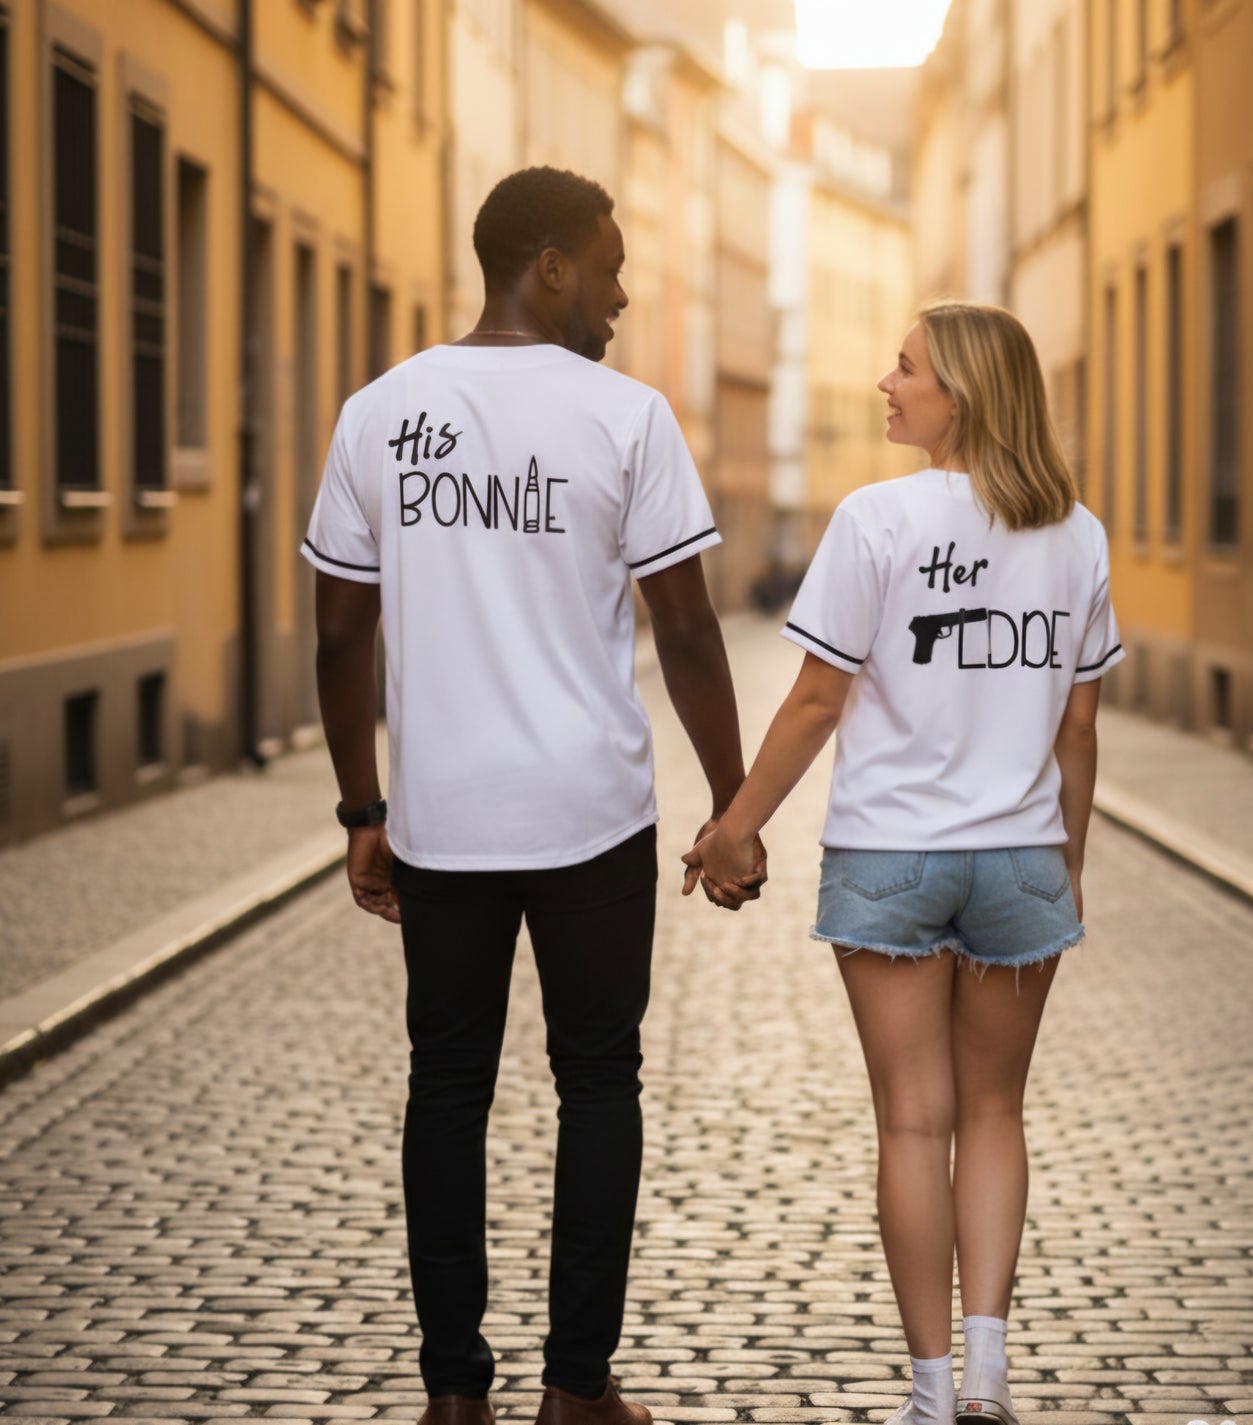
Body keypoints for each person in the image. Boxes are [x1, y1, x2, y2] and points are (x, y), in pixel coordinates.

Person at [306, 165, 765, 1425]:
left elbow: (341, 638)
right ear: (550, 264)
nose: (622, 295)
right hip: (588, 817)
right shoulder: (627, 419)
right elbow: (683, 631)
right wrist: (732, 808)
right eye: (610, 267)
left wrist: (364, 812)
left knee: (446, 1088)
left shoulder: (379, 414)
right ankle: (575, 1392)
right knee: (597, 1082)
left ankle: (454, 1397)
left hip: (444, 815)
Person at [683, 300, 1124, 1425]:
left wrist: (735, 825)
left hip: (891, 855)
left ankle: (929, 1394)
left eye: (904, 367)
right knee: (994, 1115)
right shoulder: (1074, 533)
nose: (884, 384)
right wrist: (1064, 862)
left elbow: (819, 699)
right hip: (1018, 855)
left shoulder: (875, 520)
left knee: (912, 1125)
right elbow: (1077, 732)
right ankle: (986, 1379)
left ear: (960, 395)